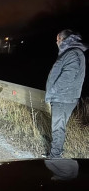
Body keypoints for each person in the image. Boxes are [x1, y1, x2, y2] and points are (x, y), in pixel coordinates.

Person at [44, 29, 87, 158]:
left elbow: (67, 78)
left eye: (58, 39)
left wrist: (51, 92)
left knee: (57, 128)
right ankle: (56, 152)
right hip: (63, 97)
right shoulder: (70, 52)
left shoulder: (73, 54)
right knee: (58, 126)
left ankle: (55, 156)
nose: (56, 42)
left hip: (63, 98)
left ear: (64, 40)